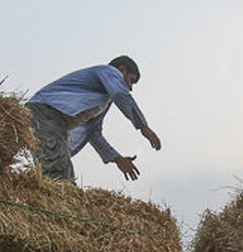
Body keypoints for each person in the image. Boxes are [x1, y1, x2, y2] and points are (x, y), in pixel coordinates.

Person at [26, 56, 161, 183]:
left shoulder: (102, 99)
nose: (130, 88)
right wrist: (143, 127)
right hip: (46, 111)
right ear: (122, 70)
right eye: (131, 80)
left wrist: (117, 159)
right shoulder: (108, 71)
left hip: (55, 121)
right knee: (57, 174)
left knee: (66, 176)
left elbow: (93, 133)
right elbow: (120, 94)